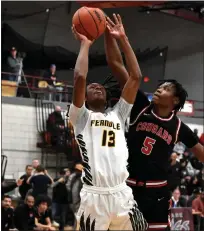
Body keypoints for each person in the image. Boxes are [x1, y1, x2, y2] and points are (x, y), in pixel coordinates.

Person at [105, 13, 204, 231]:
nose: (160, 89)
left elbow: (201, 154)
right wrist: (109, 36)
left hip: (156, 193)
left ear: (175, 100)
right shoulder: (140, 105)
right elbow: (115, 64)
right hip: (127, 187)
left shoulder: (179, 127)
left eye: (166, 88)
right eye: (161, 86)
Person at [68, 14, 147, 230]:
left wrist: (122, 37)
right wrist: (85, 44)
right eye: (92, 87)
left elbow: (135, 77)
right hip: (95, 197)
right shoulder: (80, 117)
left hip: (123, 194)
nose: (97, 86)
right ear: (83, 98)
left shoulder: (118, 114)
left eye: (101, 87)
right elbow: (80, 77)